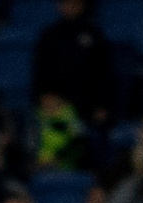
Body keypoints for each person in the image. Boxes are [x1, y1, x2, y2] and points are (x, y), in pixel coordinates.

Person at [34, 0, 118, 130]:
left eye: (73, 3)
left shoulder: (94, 36)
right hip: (56, 107)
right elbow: (39, 75)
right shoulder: (49, 37)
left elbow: (104, 74)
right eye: (65, 3)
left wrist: (103, 106)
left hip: (87, 107)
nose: (69, 6)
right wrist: (44, 97)